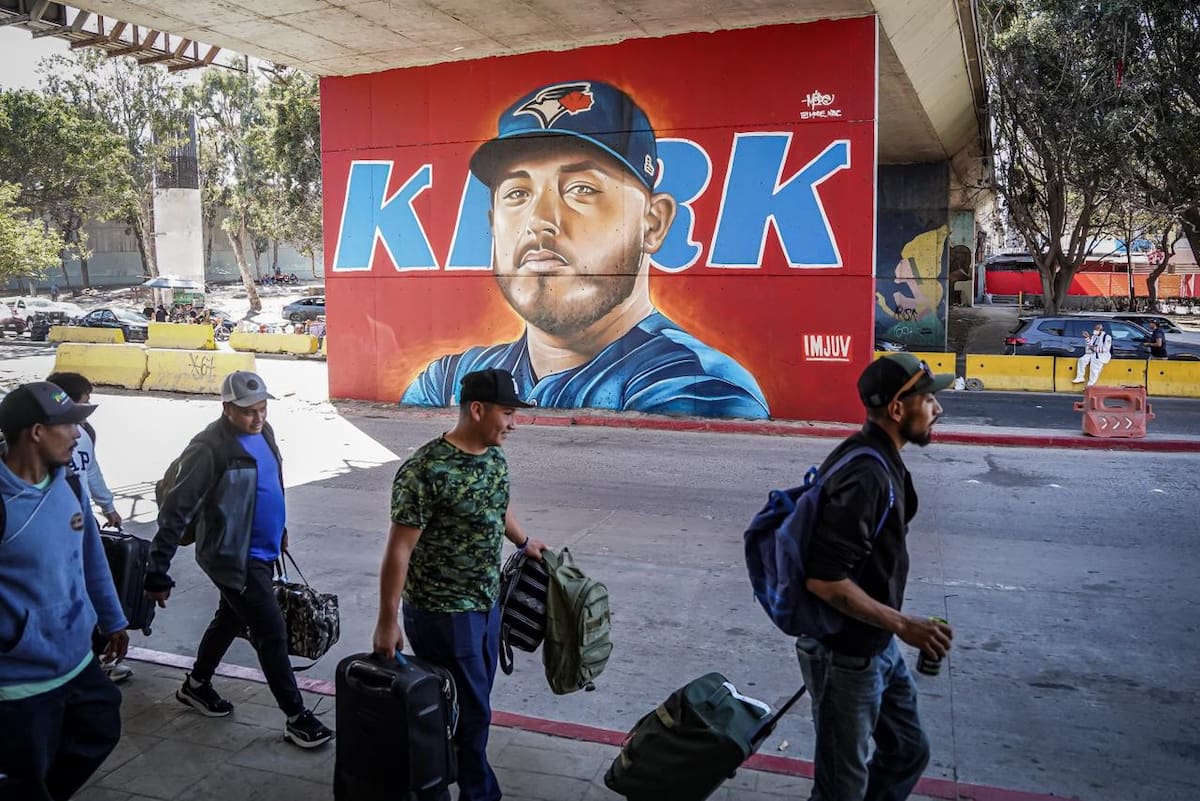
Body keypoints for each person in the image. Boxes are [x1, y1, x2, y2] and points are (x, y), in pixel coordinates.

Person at [402, 80, 769, 420]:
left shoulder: (697, 386)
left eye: (581, 189)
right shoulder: (449, 379)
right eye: (517, 194)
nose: (539, 220)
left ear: (653, 223)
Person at [374, 368, 548, 801]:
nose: (513, 424)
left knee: (471, 707)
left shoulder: (493, 457)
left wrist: (524, 541)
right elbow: (399, 550)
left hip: (485, 608)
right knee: (471, 714)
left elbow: (498, 506)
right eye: (507, 413)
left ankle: (444, 778)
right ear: (477, 409)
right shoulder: (426, 470)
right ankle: (476, 792)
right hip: (443, 613)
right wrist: (386, 621)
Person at [794, 353, 955, 801]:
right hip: (846, 658)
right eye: (929, 399)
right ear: (898, 410)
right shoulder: (867, 474)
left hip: (874, 646)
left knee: (906, 752)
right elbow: (823, 580)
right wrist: (905, 625)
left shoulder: (879, 457)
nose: (937, 408)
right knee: (840, 790)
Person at [144, 371, 332, 749]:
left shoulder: (265, 432)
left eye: (262, 408)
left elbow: (270, 483)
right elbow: (175, 513)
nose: (258, 417)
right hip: (232, 557)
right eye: (249, 412)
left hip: (263, 551)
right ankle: (297, 717)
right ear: (227, 408)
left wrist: (279, 529)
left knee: (230, 617)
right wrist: (156, 572)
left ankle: (197, 685)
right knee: (271, 632)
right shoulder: (209, 448)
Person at [0, 381, 129, 800]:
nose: (78, 434)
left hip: (77, 658)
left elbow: (91, 557)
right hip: (20, 679)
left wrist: (112, 619)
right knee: (26, 777)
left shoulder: (70, 485)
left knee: (101, 723)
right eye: (68, 424)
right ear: (36, 432)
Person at [45, 372, 132, 685]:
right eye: (72, 418)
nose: (75, 432)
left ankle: (92, 659)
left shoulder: (84, 442)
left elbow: (92, 471)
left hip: (80, 523)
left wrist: (107, 506)